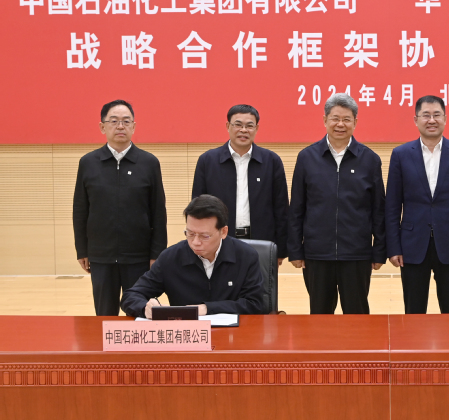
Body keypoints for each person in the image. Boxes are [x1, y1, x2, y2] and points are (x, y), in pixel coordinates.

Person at [287, 93, 386, 314]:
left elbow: (378, 210)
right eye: (335, 118)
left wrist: (379, 251)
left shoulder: (370, 159)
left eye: (346, 119)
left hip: (357, 254)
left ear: (355, 122)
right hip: (317, 254)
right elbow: (297, 208)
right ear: (325, 120)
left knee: (357, 315)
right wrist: (295, 249)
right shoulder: (307, 157)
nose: (340, 124)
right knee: (320, 315)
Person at [386, 95, 449, 314]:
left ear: (445, 119)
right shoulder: (400, 154)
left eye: (437, 115)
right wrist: (394, 247)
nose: (431, 120)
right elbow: (392, 207)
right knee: (414, 312)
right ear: (415, 120)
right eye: (425, 115)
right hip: (412, 245)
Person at [73, 100, 167, 316]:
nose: (120, 126)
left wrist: (157, 253)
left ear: (134, 126)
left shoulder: (149, 163)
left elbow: (158, 212)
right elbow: (80, 210)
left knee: (138, 313)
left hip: (139, 256)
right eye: (114, 121)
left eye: (126, 121)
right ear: (102, 127)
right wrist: (82, 249)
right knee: (104, 314)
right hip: (101, 255)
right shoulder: (88, 163)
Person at [121, 195, 264, 318]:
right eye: (190, 233)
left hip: (233, 336)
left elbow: (255, 304)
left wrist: (207, 308)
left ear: (223, 232)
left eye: (204, 236)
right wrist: (145, 307)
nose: (195, 242)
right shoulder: (171, 258)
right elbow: (130, 296)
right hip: (188, 336)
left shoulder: (246, 256)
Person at [191, 104, 289, 262]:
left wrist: (280, 250)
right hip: (219, 243)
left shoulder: (271, 161)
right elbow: (198, 208)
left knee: (259, 280)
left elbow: (281, 209)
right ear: (227, 126)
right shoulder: (207, 161)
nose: (244, 130)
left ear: (256, 128)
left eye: (249, 126)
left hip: (261, 242)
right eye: (238, 124)